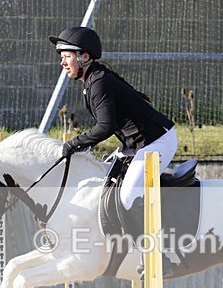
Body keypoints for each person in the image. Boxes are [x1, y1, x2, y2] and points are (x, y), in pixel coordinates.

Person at [48, 26, 177, 215]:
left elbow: (105, 127)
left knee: (127, 197)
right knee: (105, 183)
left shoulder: (99, 82)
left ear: (83, 57)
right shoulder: (92, 82)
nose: (62, 63)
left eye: (66, 57)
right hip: (136, 144)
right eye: (61, 58)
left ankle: (146, 243)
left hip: (157, 142)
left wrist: (74, 143)